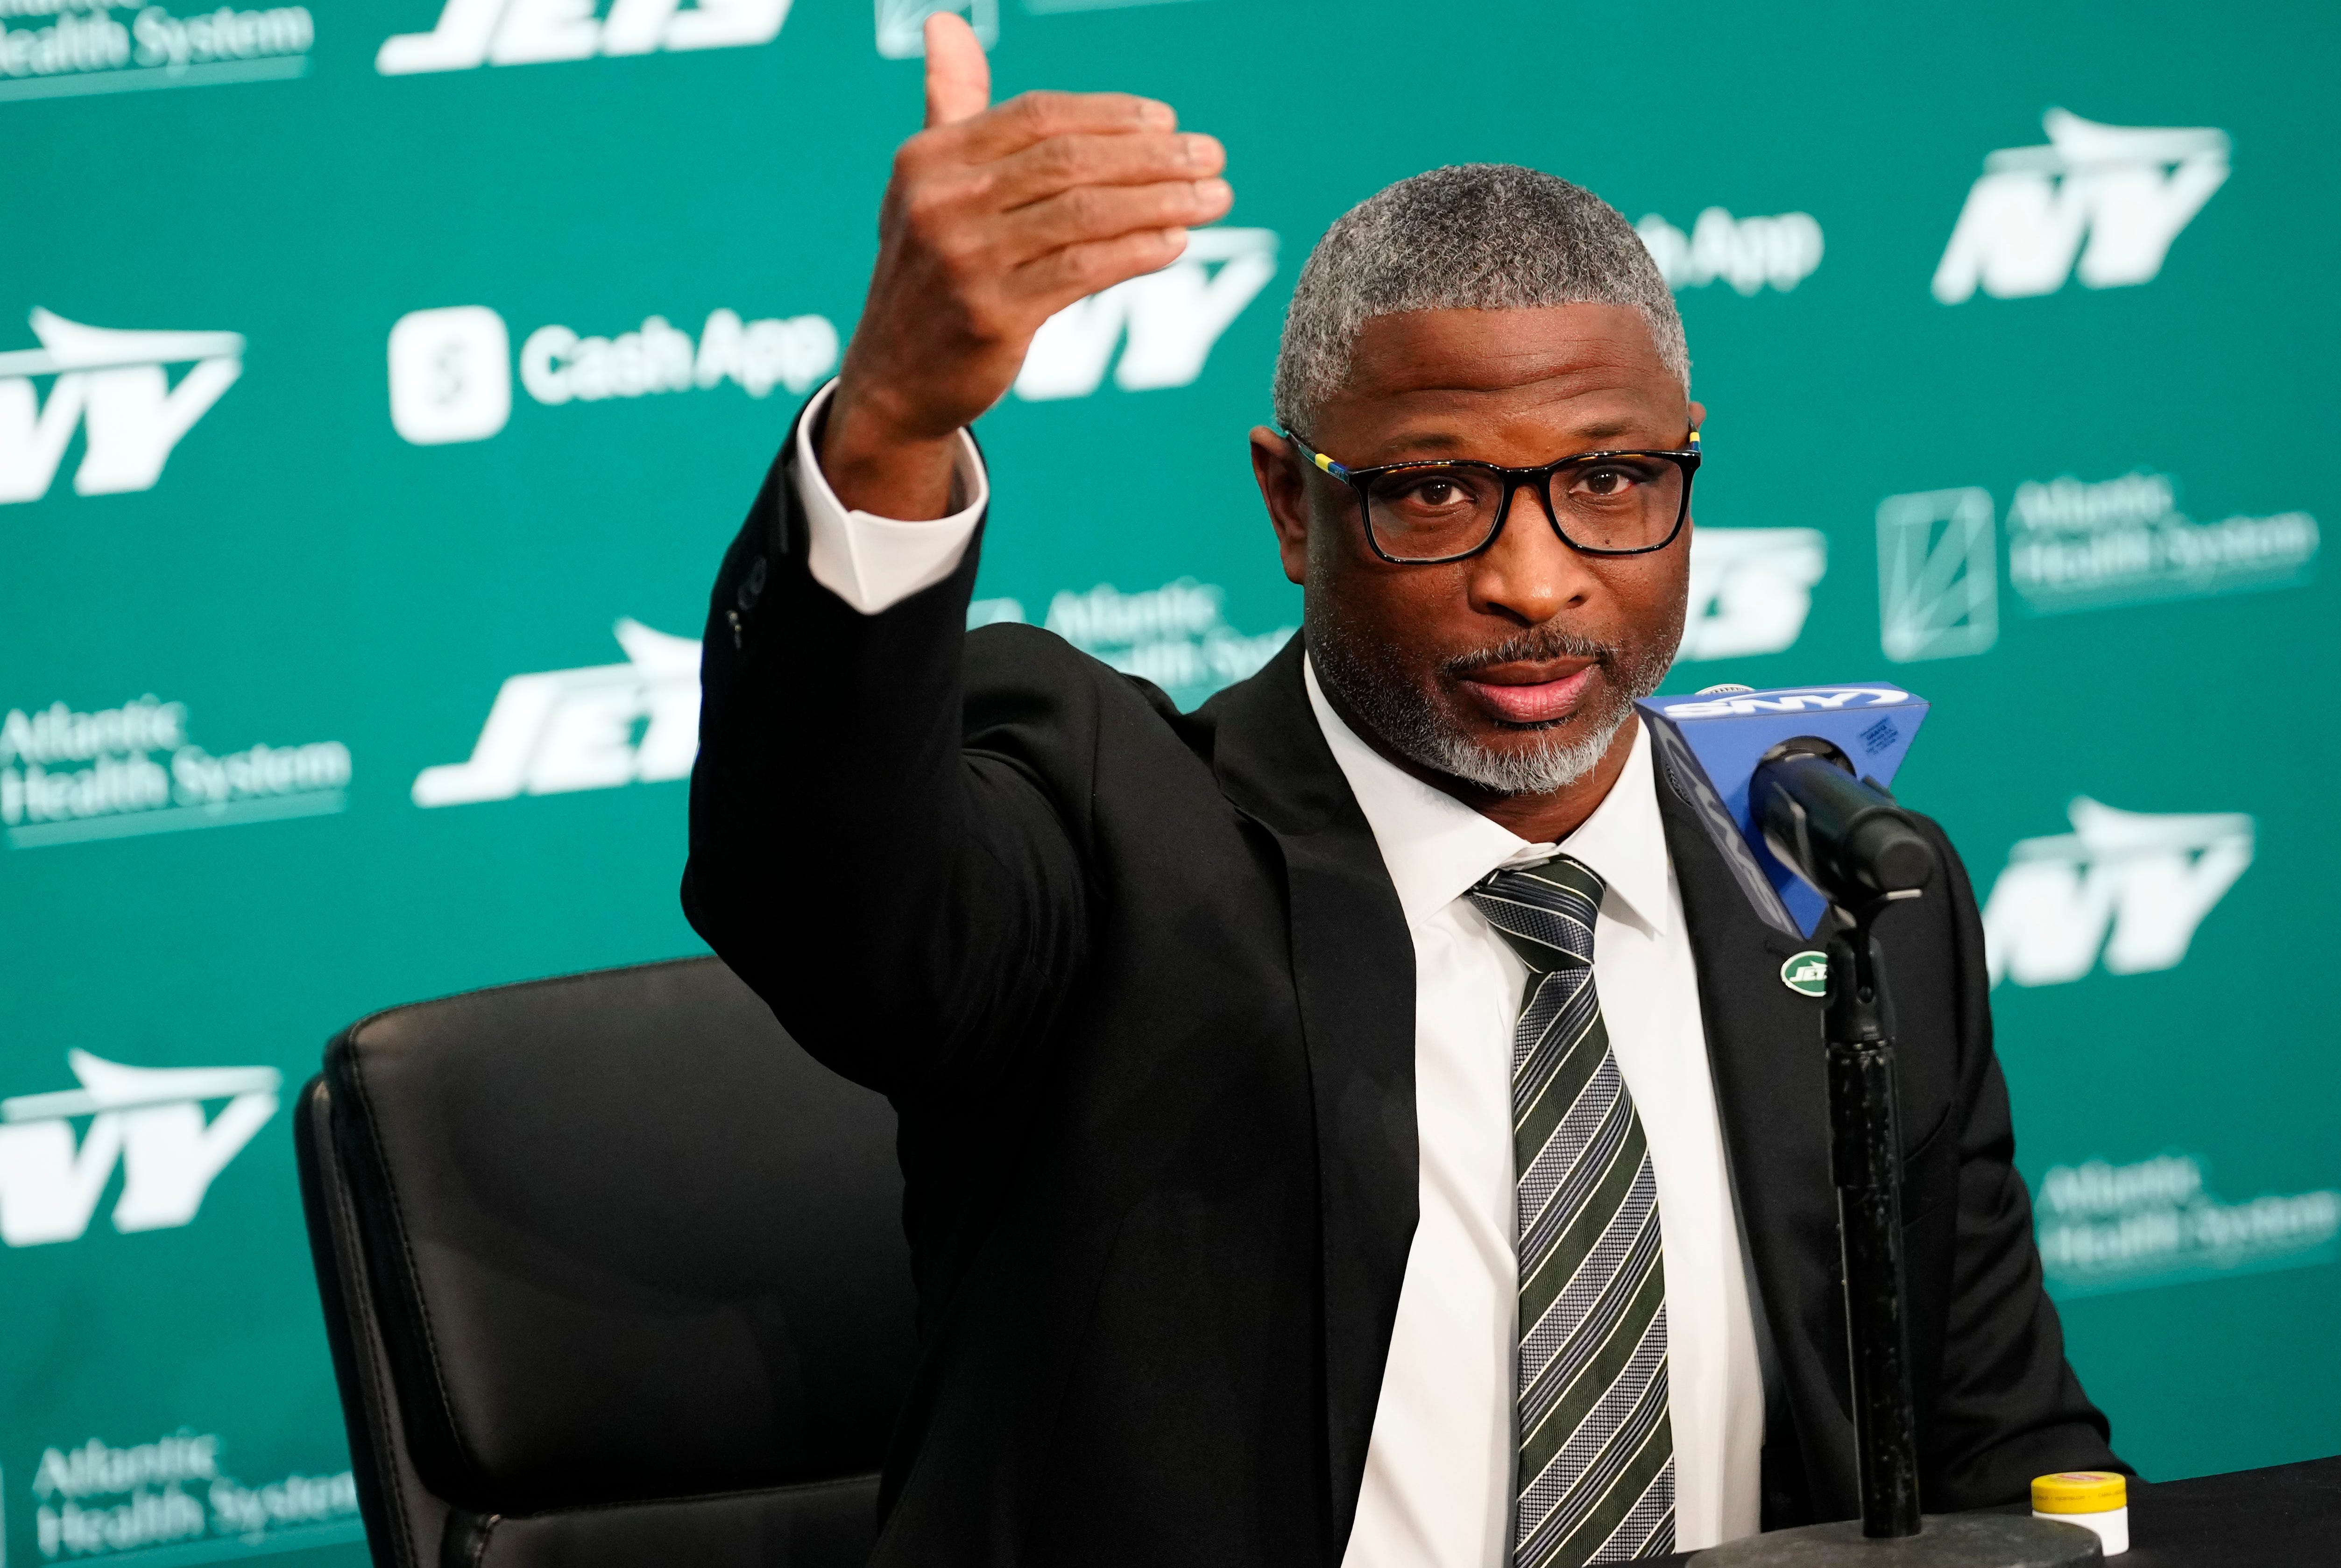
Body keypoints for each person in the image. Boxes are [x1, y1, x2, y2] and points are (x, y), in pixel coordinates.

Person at [682, 14, 2120, 1567]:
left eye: (1609, 480)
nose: (1533, 577)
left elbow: (1999, 1442)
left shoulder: (1843, 889)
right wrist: (893, 425)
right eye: (1434, 491)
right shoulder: (1112, 836)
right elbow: (832, 901)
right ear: (1293, 505)